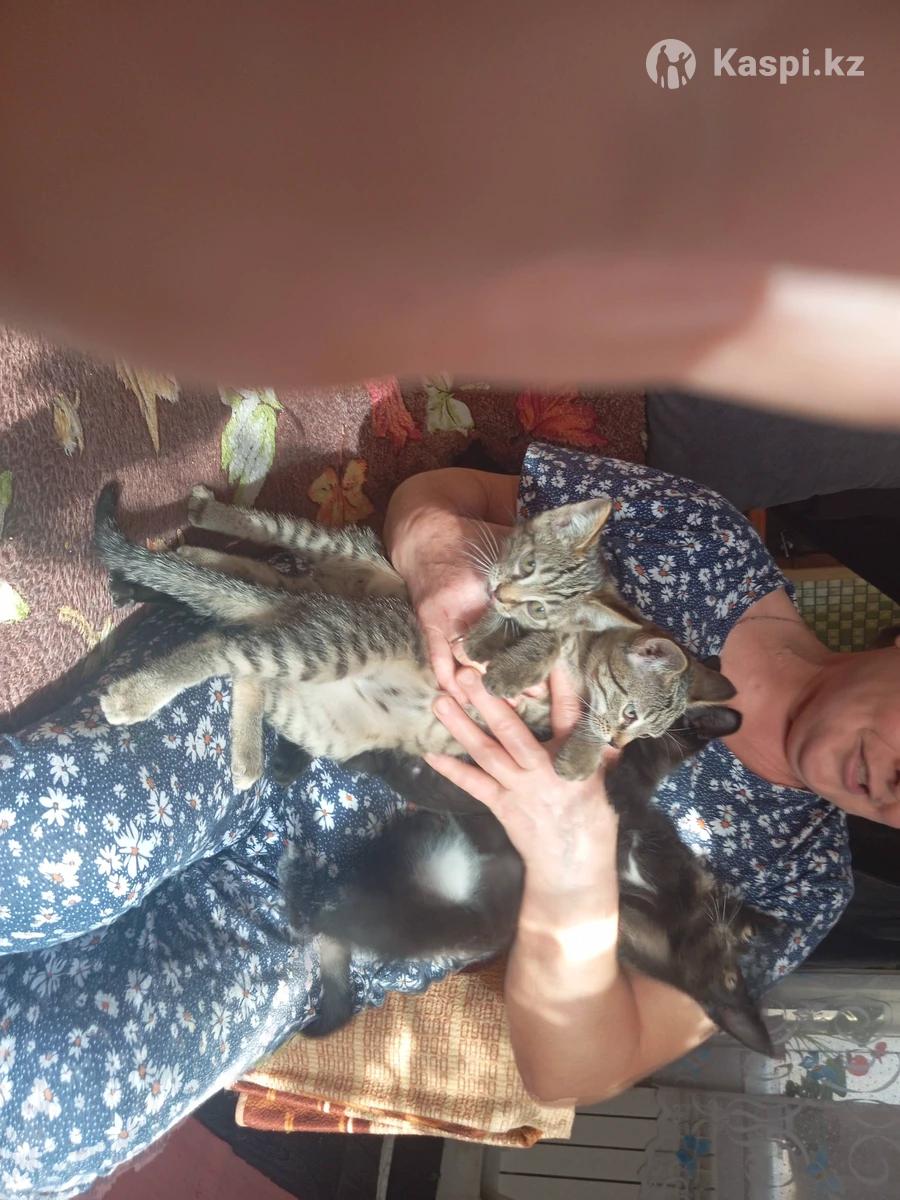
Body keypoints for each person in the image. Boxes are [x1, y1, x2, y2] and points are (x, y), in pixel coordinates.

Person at [3, 441, 895, 1196]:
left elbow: (578, 1070)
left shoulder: (799, 878)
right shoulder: (706, 545)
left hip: (320, 920)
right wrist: (437, 560)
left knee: (42, 1125)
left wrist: (573, 865)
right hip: (291, 683)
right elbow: (445, 494)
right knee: (41, 859)